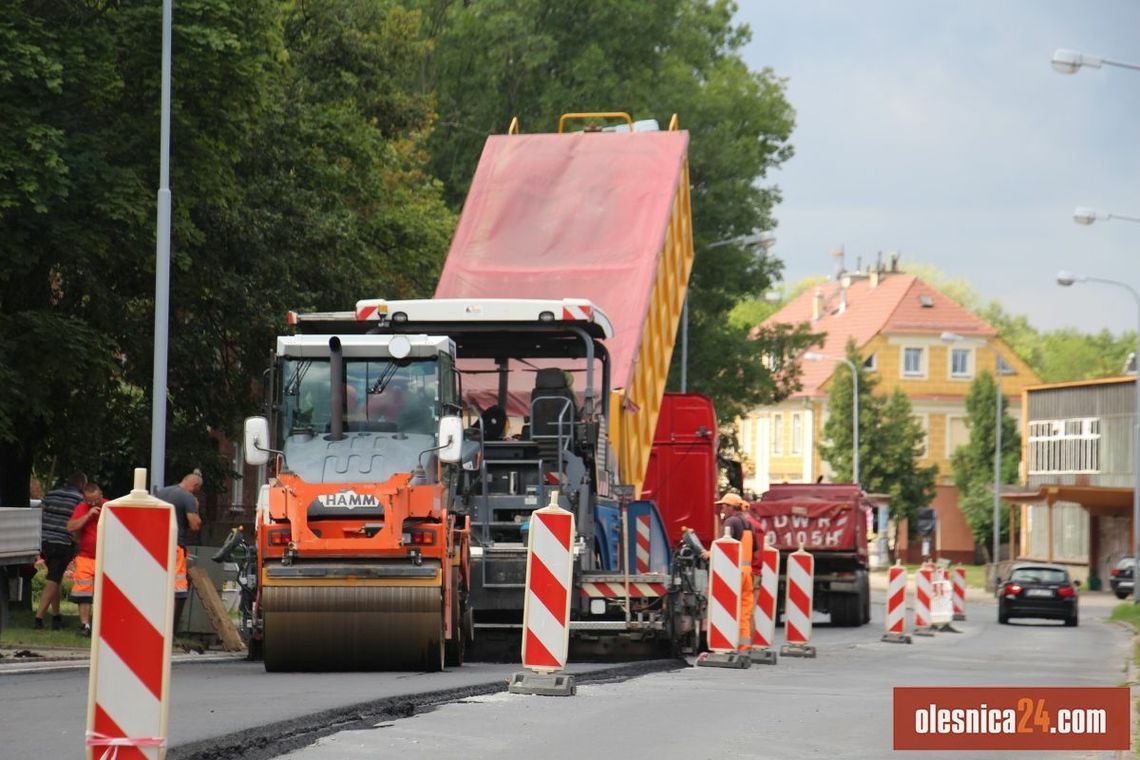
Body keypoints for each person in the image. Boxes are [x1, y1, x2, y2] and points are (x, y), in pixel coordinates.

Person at [703, 492, 759, 650]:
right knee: (744, 609)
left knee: (726, 607)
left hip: (733, 572)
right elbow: (756, 553)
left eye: (725, 505)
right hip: (747, 572)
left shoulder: (731, 522)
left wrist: (708, 554)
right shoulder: (749, 524)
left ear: (732, 507)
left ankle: (724, 644)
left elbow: (723, 546)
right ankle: (744, 646)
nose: (722, 508)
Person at [35, 472, 86, 630]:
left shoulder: (51, 494)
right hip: (62, 542)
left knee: (55, 577)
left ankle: (56, 617)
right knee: (53, 580)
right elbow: (78, 523)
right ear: (82, 485)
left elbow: (40, 511)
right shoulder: (79, 500)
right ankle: (39, 619)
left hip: (45, 541)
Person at [156, 470, 203, 628]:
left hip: (155, 546)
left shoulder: (161, 493)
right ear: (195, 486)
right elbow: (194, 525)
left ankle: (155, 621)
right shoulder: (188, 497)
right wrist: (196, 508)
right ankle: (170, 628)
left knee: (159, 585)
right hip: (176, 547)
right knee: (178, 590)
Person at [67, 482, 106, 637]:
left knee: (107, 593)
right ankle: (85, 625)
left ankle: (104, 625)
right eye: (89, 501)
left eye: (96, 500)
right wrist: (88, 515)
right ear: (84, 498)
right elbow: (70, 527)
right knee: (83, 593)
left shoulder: (110, 506)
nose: (93, 504)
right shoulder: (82, 508)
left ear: (101, 495)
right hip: (86, 556)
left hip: (106, 557)